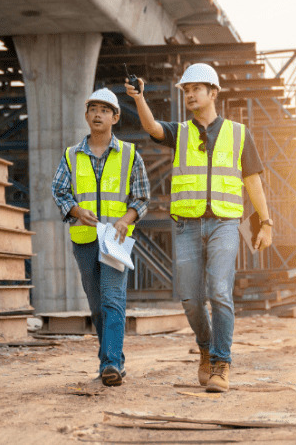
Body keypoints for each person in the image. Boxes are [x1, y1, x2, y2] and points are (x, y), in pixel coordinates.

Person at [124, 63, 273, 393]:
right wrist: (139, 98)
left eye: (195, 89)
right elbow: (151, 126)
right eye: (185, 90)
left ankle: (222, 363)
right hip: (187, 226)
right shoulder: (181, 132)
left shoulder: (238, 133)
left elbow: (253, 181)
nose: (189, 94)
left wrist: (266, 222)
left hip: (224, 223)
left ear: (213, 92)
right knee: (191, 299)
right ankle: (205, 347)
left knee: (220, 291)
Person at [51, 88, 150, 387]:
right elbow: (59, 191)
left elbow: (142, 197)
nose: (97, 114)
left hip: (116, 240)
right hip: (83, 238)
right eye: (93, 109)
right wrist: (77, 211)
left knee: (113, 300)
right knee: (96, 304)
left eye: (105, 110)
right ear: (86, 115)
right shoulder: (71, 155)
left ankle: (110, 364)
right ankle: (113, 360)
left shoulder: (130, 155)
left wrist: (126, 219)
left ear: (115, 117)